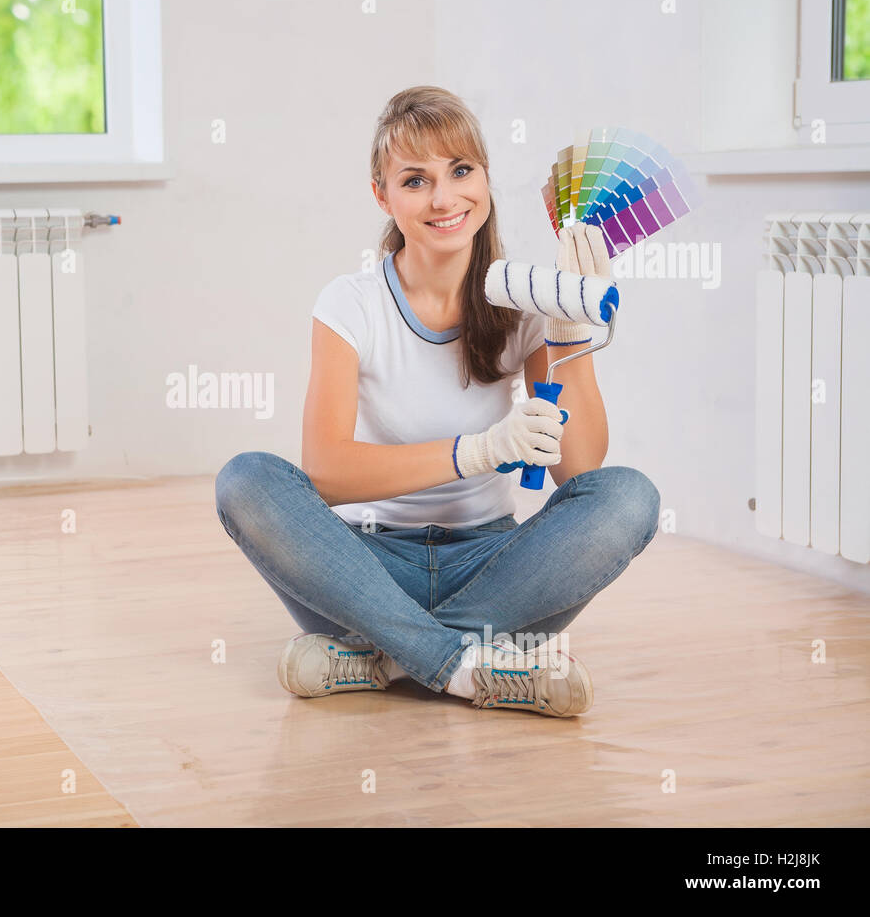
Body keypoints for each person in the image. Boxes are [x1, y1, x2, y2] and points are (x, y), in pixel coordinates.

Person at [213, 86, 660, 717]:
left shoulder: (525, 299)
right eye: (416, 180)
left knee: (630, 495)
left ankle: (385, 657)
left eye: (461, 171)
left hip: (495, 567)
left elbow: (580, 475)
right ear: (383, 195)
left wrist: (569, 334)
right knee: (247, 479)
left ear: (485, 178)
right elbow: (329, 474)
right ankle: (469, 665)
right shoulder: (351, 303)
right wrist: (478, 451)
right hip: (365, 566)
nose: (445, 198)